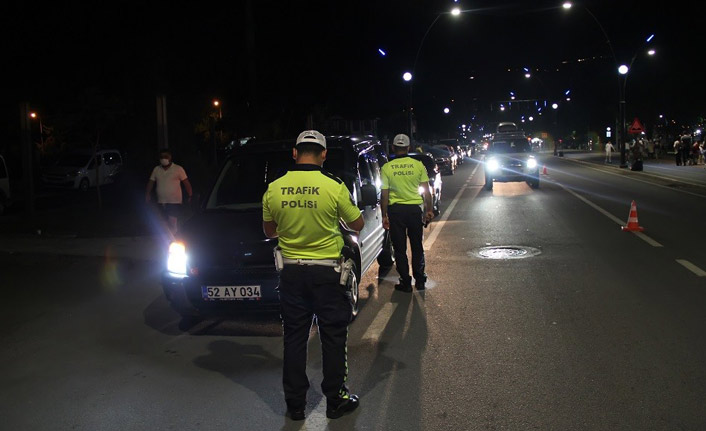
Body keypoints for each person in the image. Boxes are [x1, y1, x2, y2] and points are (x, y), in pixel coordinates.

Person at [262, 130, 364, 421]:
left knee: (294, 337)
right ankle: (336, 399)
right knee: (333, 336)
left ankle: (295, 405)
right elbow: (357, 222)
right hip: (328, 274)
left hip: (291, 273)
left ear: (294, 153)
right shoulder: (333, 186)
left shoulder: (275, 187)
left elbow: (270, 231)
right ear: (323, 155)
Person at [380, 133, 434, 292]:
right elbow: (427, 191)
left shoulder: (387, 167)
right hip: (414, 211)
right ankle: (420, 280)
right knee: (417, 246)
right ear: (408, 147)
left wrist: (384, 215)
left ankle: (405, 281)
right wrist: (428, 210)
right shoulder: (418, 165)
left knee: (400, 248)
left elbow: (384, 194)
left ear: (393, 148)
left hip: (396, 211)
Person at [145, 148, 192, 234]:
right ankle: (166, 238)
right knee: (163, 222)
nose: (164, 159)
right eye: (162, 157)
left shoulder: (178, 169)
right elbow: (151, 182)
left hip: (174, 201)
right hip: (161, 201)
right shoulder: (156, 169)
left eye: (166, 156)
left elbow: (186, 183)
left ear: (170, 158)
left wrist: (190, 195)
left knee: (172, 221)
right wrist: (147, 194)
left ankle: (174, 238)